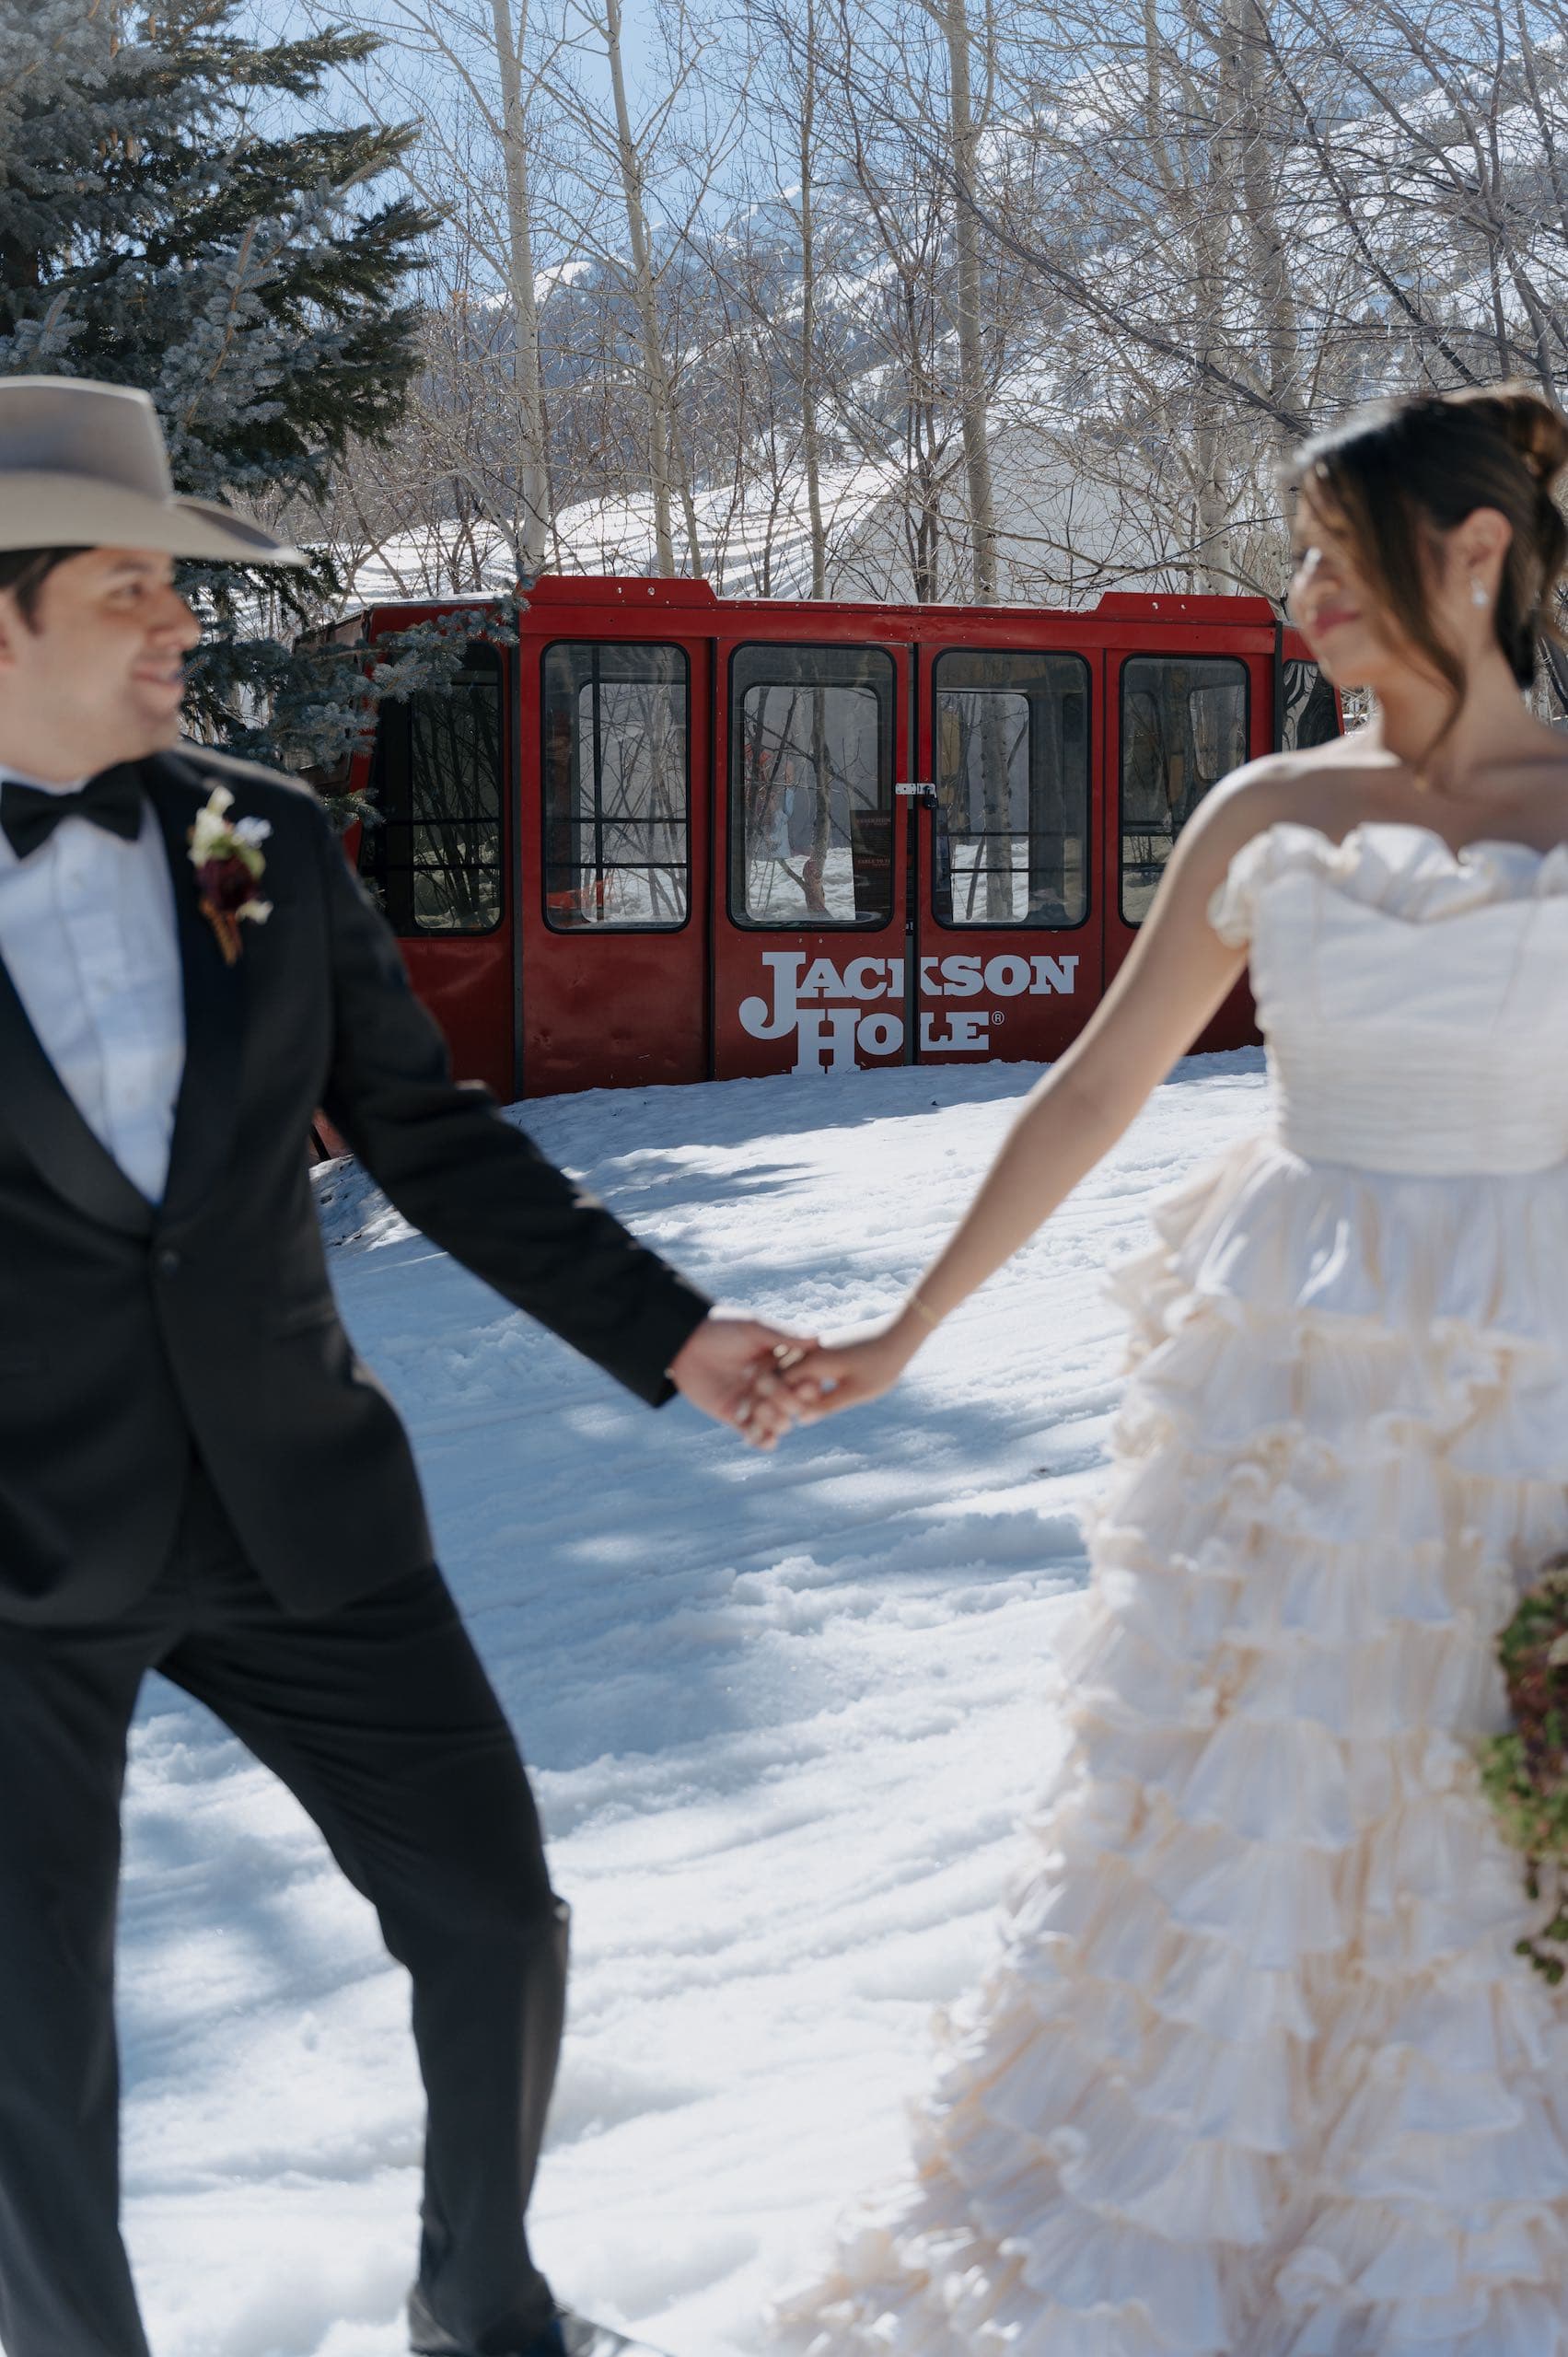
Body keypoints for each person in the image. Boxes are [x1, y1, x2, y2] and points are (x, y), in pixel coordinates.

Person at [0, 376, 804, 2357]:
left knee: (493, 1920)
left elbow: (429, 1137)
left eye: (181, 586)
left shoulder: (250, 839)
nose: (181, 622)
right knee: (28, 2036)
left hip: (311, 1515)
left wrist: (677, 1332)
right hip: (16, 1557)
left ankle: (481, 2290)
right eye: (130, 588)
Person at [769, 383, 1568, 2353]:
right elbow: (1096, 1088)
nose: (1298, 593)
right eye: (1295, 551)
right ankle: (1205, 2194)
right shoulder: (1265, 813)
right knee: (1270, 1793)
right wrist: (907, 1325)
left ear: (1473, 558)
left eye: (1331, 552)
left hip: (1537, 1360)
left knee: (1500, 1794)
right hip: (1298, 1383)